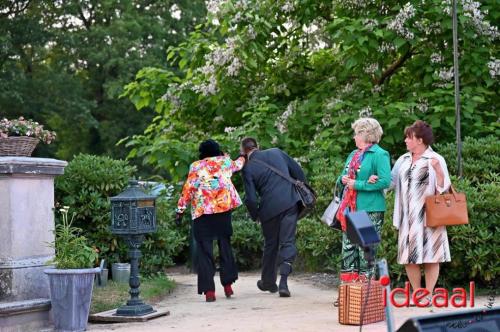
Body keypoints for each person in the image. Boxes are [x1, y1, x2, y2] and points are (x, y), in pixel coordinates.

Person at [175, 139, 245, 302]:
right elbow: (238, 164)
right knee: (225, 247)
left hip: (202, 214)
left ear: (202, 153)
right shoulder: (225, 162)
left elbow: (188, 189)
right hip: (222, 212)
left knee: (205, 252)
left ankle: (209, 292)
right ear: (217, 151)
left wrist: (180, 210)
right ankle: (228, 286)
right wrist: (242, 156)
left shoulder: (196, 166)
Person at [391, 120, 451, 305]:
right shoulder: (403, 159)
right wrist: (376, 179)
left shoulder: (436, 159)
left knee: (432, 256)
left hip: (430, 215)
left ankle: (428, 294)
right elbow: (391, 182)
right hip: (407, 216)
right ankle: (418, 294)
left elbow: (444, 189)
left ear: (419, 139)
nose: (405, 141)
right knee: (409, 257)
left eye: (408, 137)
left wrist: (439, 171)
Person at [334, 117, 391, 306]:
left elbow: (385, 181)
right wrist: (343, 179)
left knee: (365, 251)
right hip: (351, 209)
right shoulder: (353, 154)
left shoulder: (380, 154)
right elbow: (344, 176)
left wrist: (357, 184)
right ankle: (348, 295)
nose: (354, 137)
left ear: (366, 134)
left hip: (371, 209)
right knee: (348, 250)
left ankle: (366, 296)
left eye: (357, 133)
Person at [240, 137, 307, 297]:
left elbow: (251, 199)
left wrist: (255, 215)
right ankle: (283, 282)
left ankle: (268, 282)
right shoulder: (277, 152)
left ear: (243, 152)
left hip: (269, 210)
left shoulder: (248, 168)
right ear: (258, 146)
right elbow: (299, 174)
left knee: (271, 244)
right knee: (288, 241)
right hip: (290, 203)